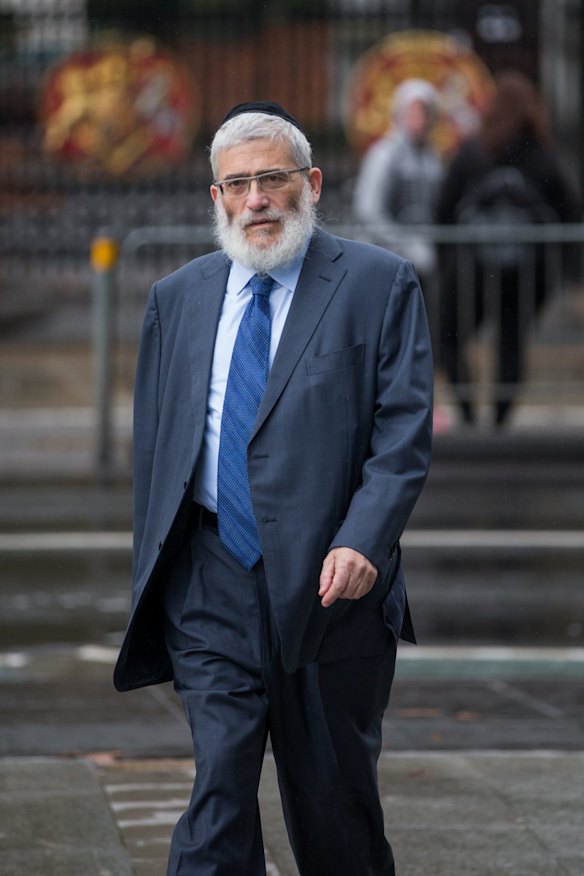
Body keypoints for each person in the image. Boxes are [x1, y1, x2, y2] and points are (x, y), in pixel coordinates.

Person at [114, 100, 433, 876]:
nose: (255, 199)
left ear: (311, 183)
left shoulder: (377, 284)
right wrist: (160, 573)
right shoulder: (178, 298)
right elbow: (157, 452)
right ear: (215, 199)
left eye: (272, 179)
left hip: (332, 590)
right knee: (217, 793)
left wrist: (364, 537)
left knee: (334, 813)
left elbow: (402, 436)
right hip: (209, 580)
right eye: (237, 184)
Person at [437, 70, 581, 427]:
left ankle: (469, 415)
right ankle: (500, 422)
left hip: (472, 269)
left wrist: (446, 260)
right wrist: (568, 272)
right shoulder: (545, 158)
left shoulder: (473, 153)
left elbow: (443, 208)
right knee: (512, 342)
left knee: (450, 338)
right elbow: (571, 212)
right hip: (527, 272)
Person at [352, 78, 444, 280]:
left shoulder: (432, 157)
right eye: (412, 112)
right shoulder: (384, 154)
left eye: (423, 112)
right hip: (383, 259)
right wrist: (405, 246)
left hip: (421, 261)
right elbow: (369, 211)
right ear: (399, 114)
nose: (418, 119)